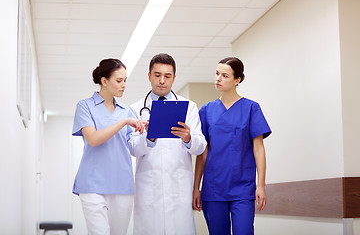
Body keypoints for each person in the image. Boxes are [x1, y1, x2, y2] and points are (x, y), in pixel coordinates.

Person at [129, 53, 207, 235]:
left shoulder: (189, 106)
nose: (162, 81)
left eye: (167, 76)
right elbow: (133, 148)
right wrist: (148, 138)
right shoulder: (135, 108)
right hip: (149, 187)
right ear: (149, 76)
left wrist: (188, 138)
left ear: (174, 78)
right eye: (157, 75)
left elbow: (201, 146)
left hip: (178, 186)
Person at [192, 57, 271, 235]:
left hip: (243, 188)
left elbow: (258, 148)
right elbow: (202, 153)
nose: (218, 79)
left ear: (238, 80)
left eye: (225, 75)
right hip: (213, 187)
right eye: (217, 74)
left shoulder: (251, 108)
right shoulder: (206, 111)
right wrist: (196, 187)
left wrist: (261, 185)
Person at [72, 58, 145, 235]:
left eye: (125, 80)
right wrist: (125, 122)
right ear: (104, 81)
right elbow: (94, 139)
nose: (124, 85)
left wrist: (147, 134)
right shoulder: (85, 106)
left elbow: (132, 146)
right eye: (119, 80)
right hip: (92, 184)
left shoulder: (126, 110)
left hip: (121, 183)